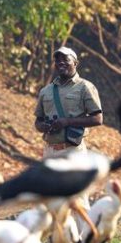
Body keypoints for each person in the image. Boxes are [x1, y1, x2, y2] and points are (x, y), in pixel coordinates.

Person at [34, 46, 103, 208]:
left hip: (73, 150)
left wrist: (67, 122)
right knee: (49, 197)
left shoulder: (85, 87)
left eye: (65, 59)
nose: (61, 62)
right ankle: (58, 233)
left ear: (75, 63)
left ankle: (83, 233)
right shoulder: (46, 91)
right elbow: (37, 122)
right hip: (50, 151)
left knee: (77, 197)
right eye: (57, 60)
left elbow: (98, 118)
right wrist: (44, 126)